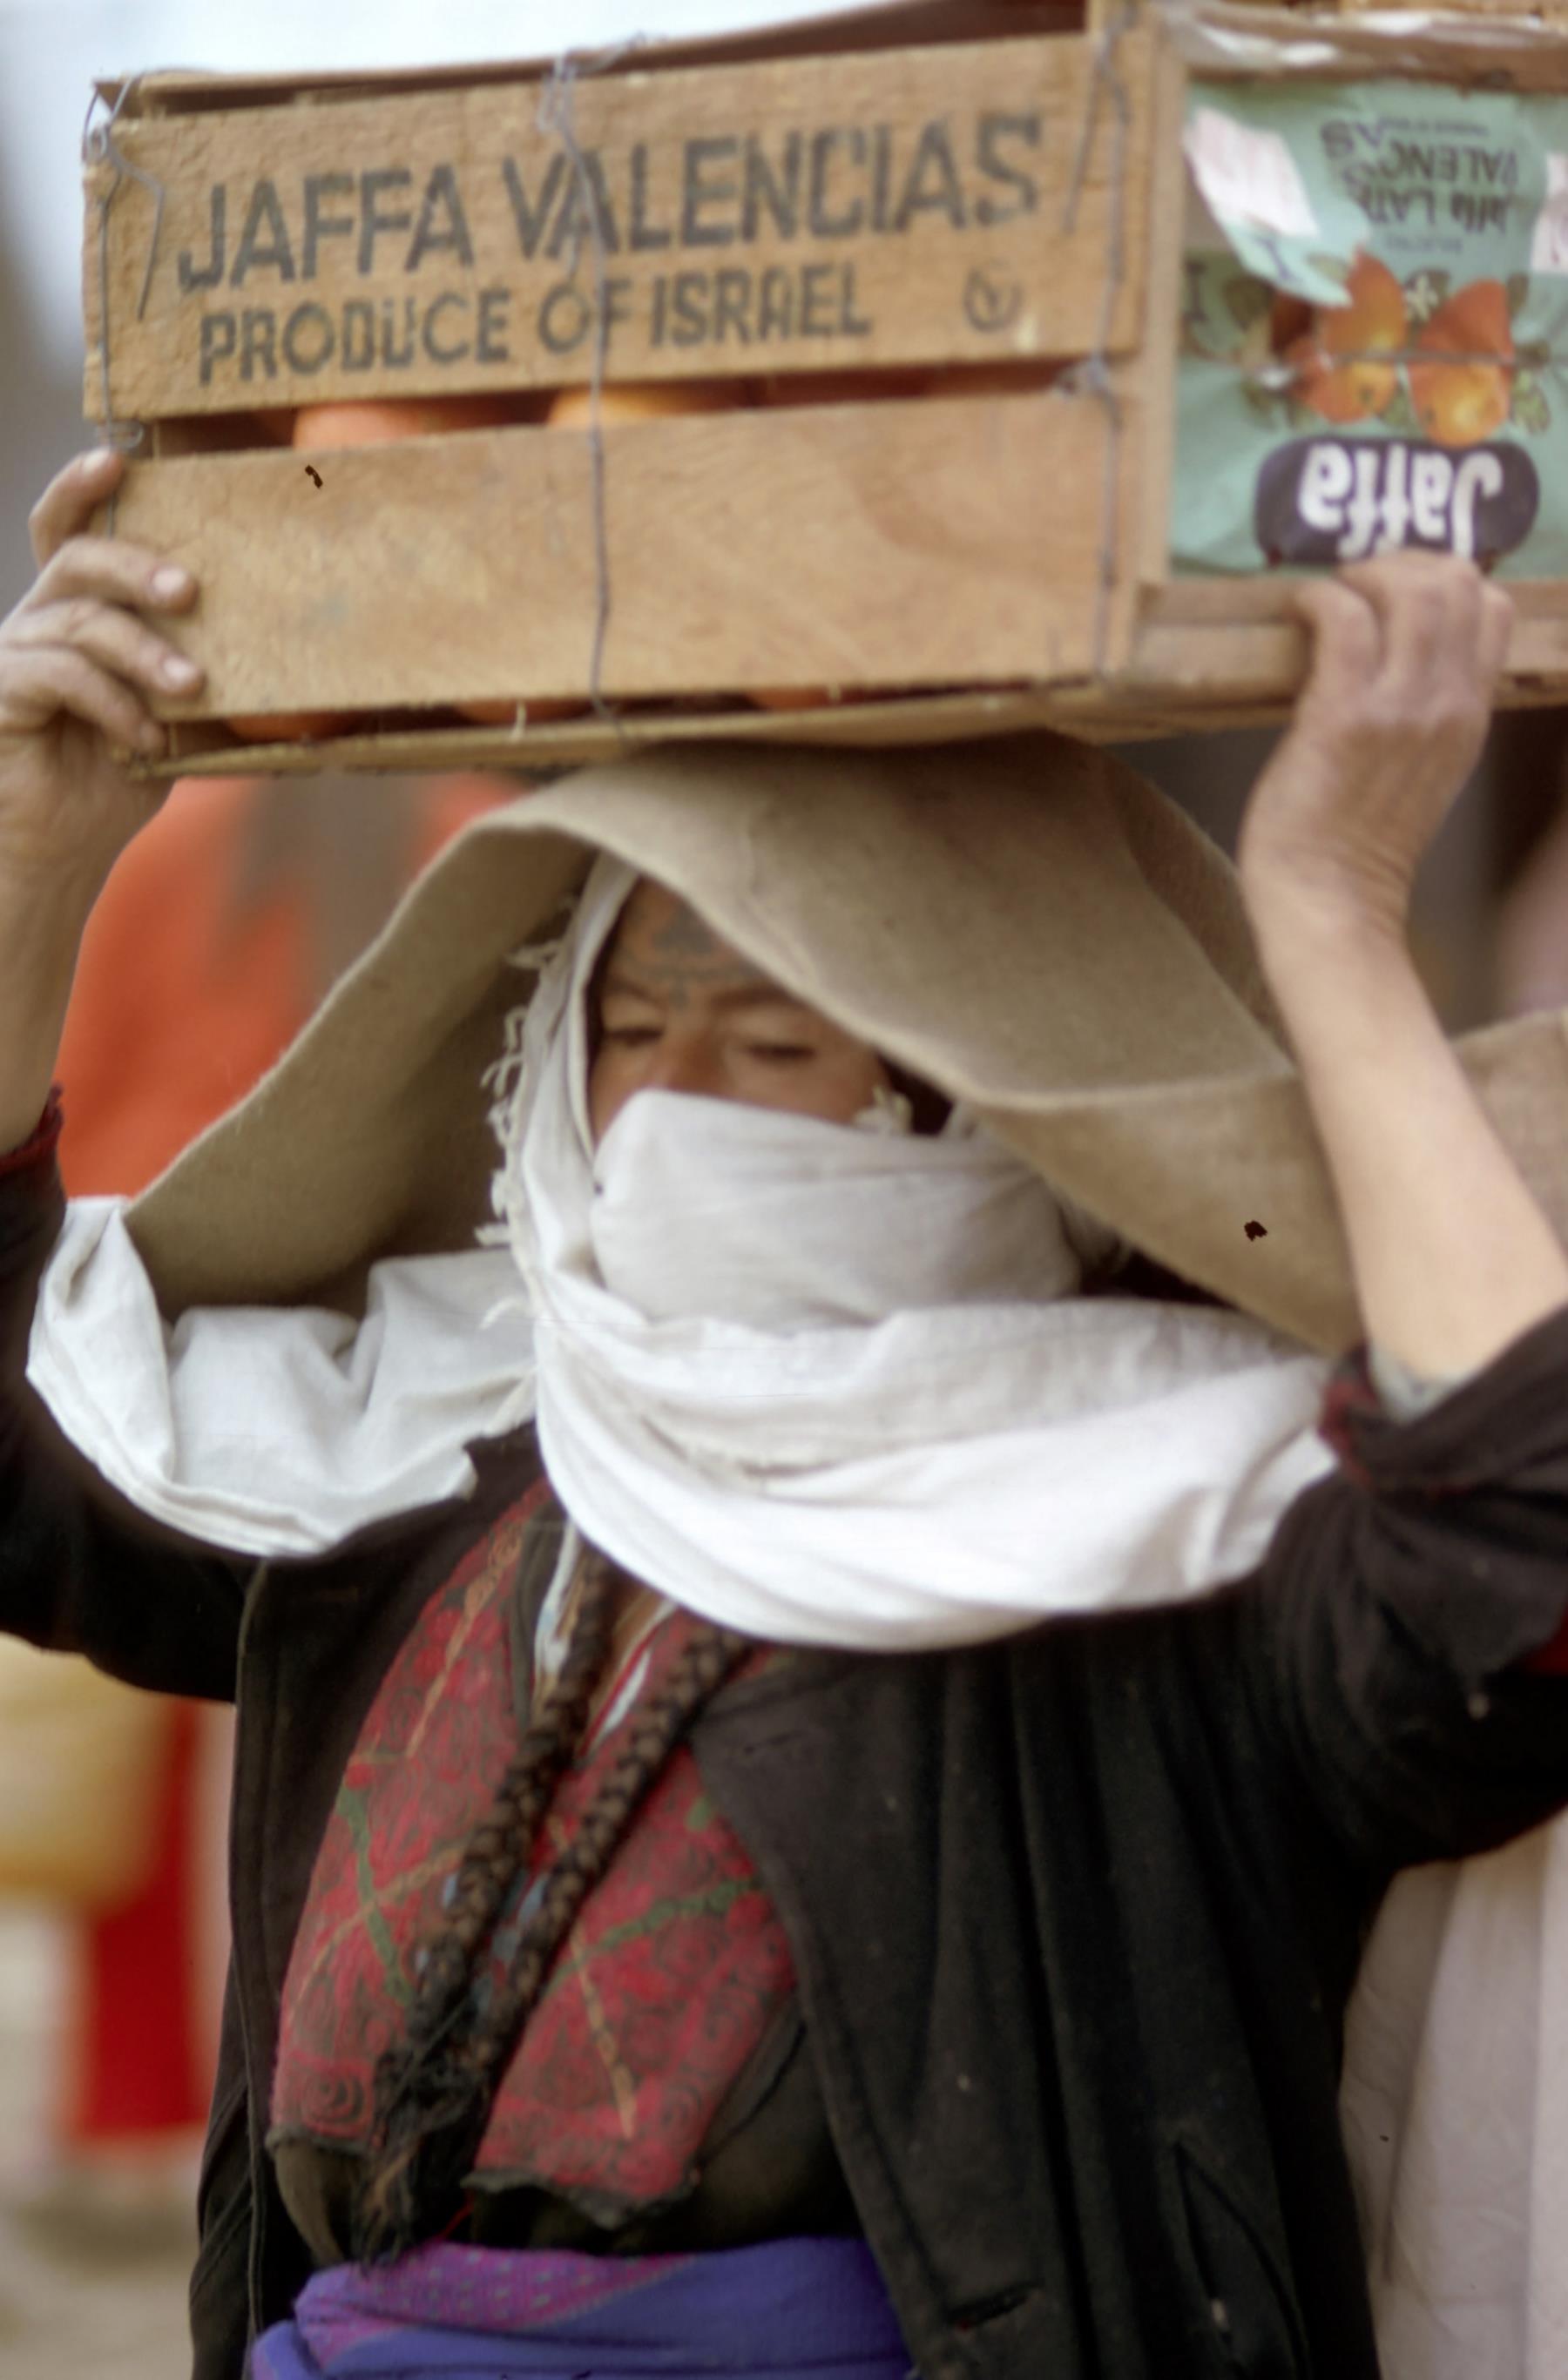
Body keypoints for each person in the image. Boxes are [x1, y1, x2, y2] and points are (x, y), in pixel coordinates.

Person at [0, 441, 1566, 2380]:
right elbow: (18, 1469)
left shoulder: (1160, 1546)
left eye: (773, 1039)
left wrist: (1333, 906)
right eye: (627, 1029)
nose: (670, 1115)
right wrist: (36, 860)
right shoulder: (446, 1437)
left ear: (980, 1109)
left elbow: (1516, 1562)